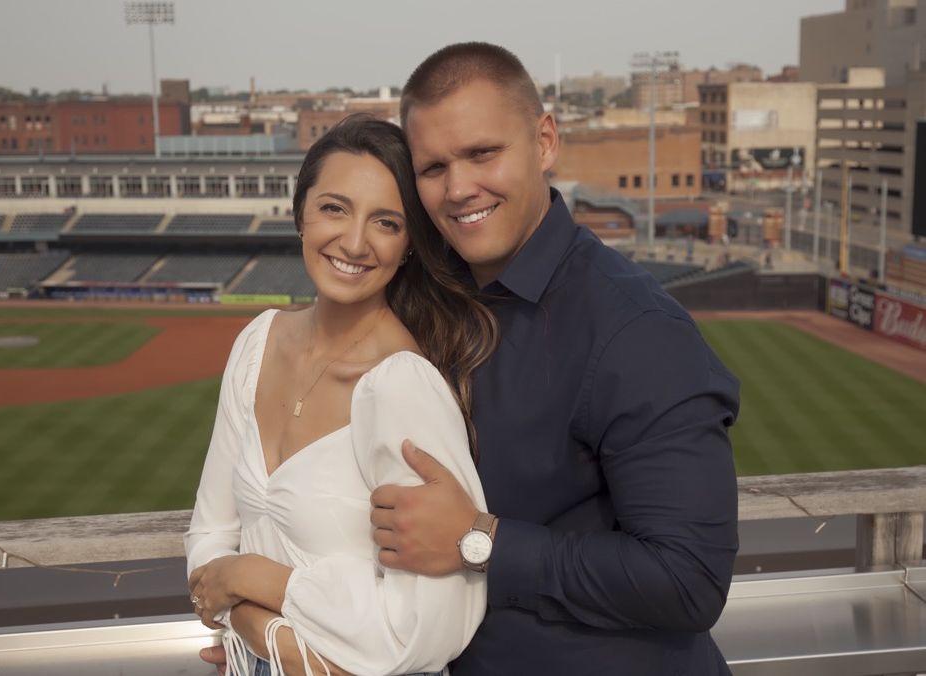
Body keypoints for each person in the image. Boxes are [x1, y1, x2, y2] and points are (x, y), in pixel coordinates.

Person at [363, 43, 741, 675]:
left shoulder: (636, 329)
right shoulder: (427, 299)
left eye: (483, 153)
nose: (459, 188)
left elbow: (690, 579)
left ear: (544, 143)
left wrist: (479, 540)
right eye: (433, 168)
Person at [185, 115, 498, 675]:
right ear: (300, 214)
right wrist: (248, 618)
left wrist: (251, 589)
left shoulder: (402, 386)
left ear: (408, 245)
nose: (354, 242)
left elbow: (427, 628)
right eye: (334, 208)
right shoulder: (258, 343)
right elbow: (210, 536)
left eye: (386, 222)